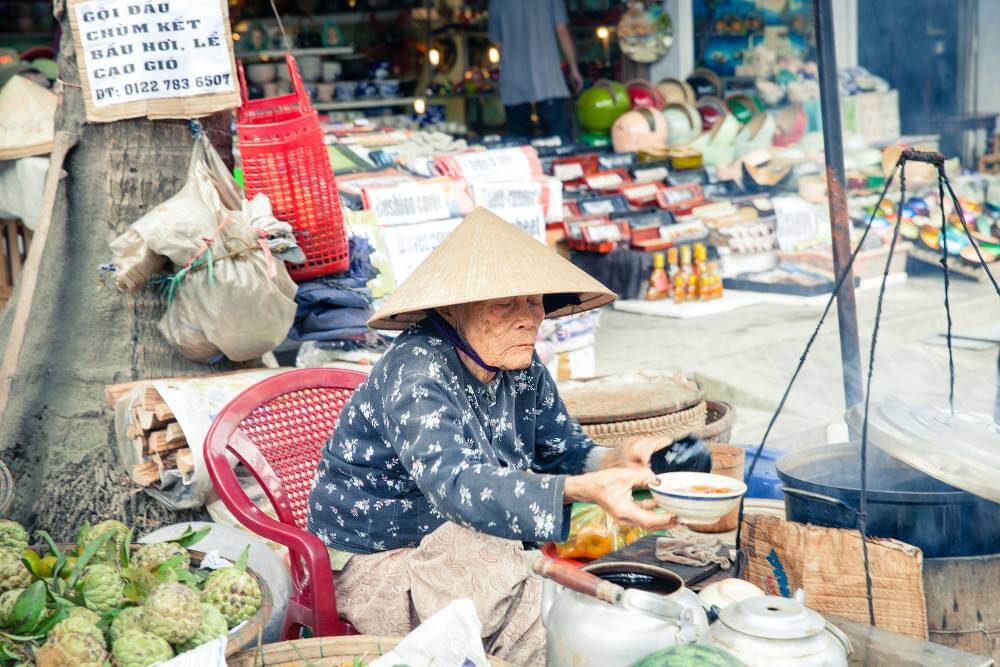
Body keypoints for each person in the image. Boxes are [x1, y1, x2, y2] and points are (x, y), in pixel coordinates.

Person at [307, 208, 694, 665]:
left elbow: (564, 452)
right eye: (505, 304)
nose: (529, 319)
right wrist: (584, 490)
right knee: (510, 567)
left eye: (534, 302)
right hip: (381, 560)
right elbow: (456, 486)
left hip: (469, 544)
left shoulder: (521, 369)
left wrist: (614, 460)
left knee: (541, 588)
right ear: (452, 308)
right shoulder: (416, 370)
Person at [488, 0, 584, 141]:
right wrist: (574, 69)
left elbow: (497, 43)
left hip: (514, 82)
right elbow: (562, 31)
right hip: (548, 80)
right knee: (558, 143)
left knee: (519, 147)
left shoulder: (496, 2)